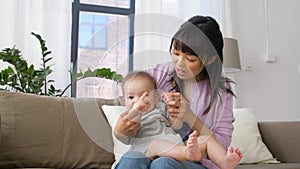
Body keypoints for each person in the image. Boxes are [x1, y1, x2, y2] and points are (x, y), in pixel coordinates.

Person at [114, 15, 239, 169]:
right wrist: (121, 130)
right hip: (148, 154)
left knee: (163, 164)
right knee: (132, 158)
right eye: (176, 53)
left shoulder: (221, 92)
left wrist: (190, 117)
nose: (179, 64)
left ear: (210, 59)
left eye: (190, 59)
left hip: (193, 160)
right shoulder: (156, 76)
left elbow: (221, 144)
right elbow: (130, 101)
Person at [117, 71, 242, 169]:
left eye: (144, 95)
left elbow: (176, 126)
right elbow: (124, 137)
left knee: (207, 138)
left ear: (155, 96)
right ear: (124, 102)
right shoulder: (129, 116)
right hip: (148, 151)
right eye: (131, 97)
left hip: (174, 146)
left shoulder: (160, 108)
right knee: (156, 144)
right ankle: (187, 153)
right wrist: (136, 109)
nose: (138, 100)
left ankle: (223, 161)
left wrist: (172, 109)